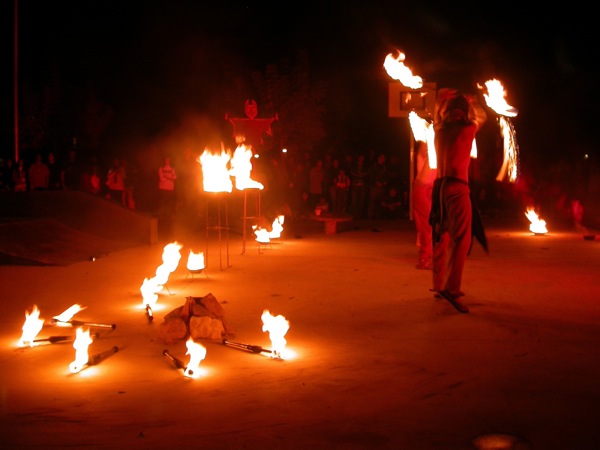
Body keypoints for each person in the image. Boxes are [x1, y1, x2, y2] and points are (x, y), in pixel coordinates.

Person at [429, 88, 487, 313]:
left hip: (440, 188)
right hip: (456, 188)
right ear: (461, 114)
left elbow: (436, 116)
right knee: (461, 239)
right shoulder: (466, 129)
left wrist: (440, 101)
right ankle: (451, 289)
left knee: (442, 235)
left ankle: (440, 285)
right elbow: (480, 117)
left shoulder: (439, 130)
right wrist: (476, 99)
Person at [413, 140, 437, 269]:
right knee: (427, 224)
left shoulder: (432, 145)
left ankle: (428, 255)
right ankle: (424, 258)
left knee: (428, 224)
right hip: (423, 188)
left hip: (426, 187)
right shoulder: (431, 143)